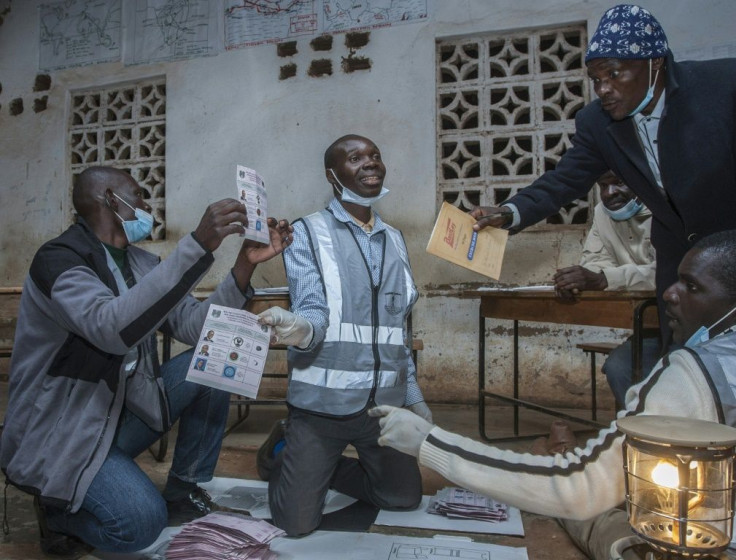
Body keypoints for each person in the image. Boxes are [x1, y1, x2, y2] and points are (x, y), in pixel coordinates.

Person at [371, 229, 736, 560]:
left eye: (691, 286)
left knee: (601, 521)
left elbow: (577, 489)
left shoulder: (692, 373)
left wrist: (429, 443)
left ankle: (559, 454)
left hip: (710, 543)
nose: (669, 293)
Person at [0, 166, 293, 554]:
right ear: (109, 198)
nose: (144, 205)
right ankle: (59, 516)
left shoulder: (140, 263)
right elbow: (110, 328)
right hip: (65, 430)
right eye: (137, 196)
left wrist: (244, 264)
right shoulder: (60, 260)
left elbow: (194, 326)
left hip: (120, 412)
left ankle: (184, 491)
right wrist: (198, 243)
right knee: (138, 526)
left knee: (218, 362)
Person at [469, 4, 736, 346]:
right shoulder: (597, 122)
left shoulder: (721, 87)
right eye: (595, 79)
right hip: (678, 267)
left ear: (655, 63)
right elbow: (564, 180)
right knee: (689, 361)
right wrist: (508, 212)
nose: (603, 89)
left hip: (729, 253)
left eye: (614, 74)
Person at [255, 134, 430, 537]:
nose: (370, 164)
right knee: (296, 525)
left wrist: (414, 398)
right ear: (333, 175)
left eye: (375, 156)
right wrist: (301, 328)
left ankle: (325, 468)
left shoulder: (396, 239)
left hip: (381, 410)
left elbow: (397, 328)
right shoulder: (308, 232)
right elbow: (313, 308)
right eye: (355, 158)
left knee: (403, 498)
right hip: (321, 411)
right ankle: (283, 452)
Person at [553, 170, 659, 406]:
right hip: (651, 324)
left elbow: (666, 272)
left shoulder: (666, 208)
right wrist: (581, 280)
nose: (610, 193)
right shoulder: (603, 213)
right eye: (603, 185)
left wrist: (604, 279)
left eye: (619, 182)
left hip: (686, 324)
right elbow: (594, 260)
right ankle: (638, 431)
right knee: (619, 367)